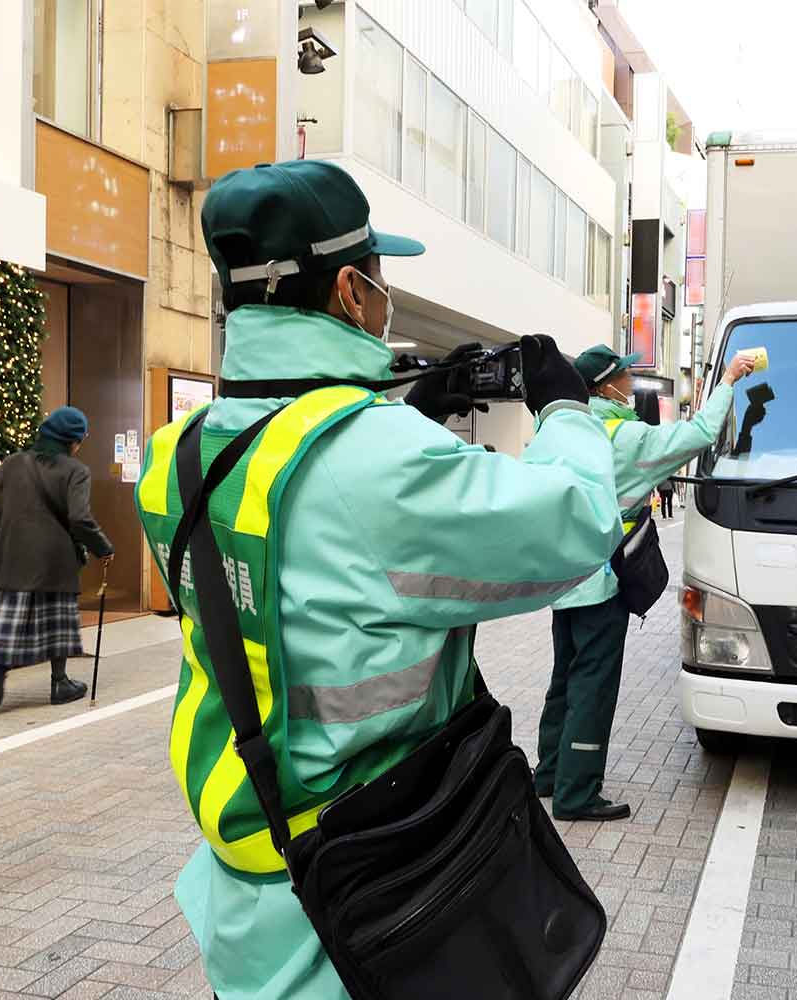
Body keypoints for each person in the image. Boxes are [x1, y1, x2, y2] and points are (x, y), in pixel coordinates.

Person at [134, 159, 619, 1000]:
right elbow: (577, 525)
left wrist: (396, 414)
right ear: (354, 292)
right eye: (381, 280)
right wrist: (567, 407)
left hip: (251, 883)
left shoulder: (177, 453)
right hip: (377, 890)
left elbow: (311, 559)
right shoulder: (380, 463)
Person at [535, 344, 756, 821]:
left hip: (562, 581)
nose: (632, 382)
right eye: (626, 375)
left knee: (564, 680)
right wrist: (727, 383)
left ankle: (549, 775)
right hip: (603, 581)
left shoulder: (559, 431)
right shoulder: (625, 437)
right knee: (593, 685)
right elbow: (697, 433)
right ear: (604, 387)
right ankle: (577, 794)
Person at [0, 406, 114, 706]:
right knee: (57, 620)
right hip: (56, 558)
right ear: (71, 441)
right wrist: (103, 547)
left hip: (11, 555)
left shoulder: (11, 465)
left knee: (7, 617)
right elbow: (79, 519)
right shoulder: (75, 471)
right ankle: (59, 683)